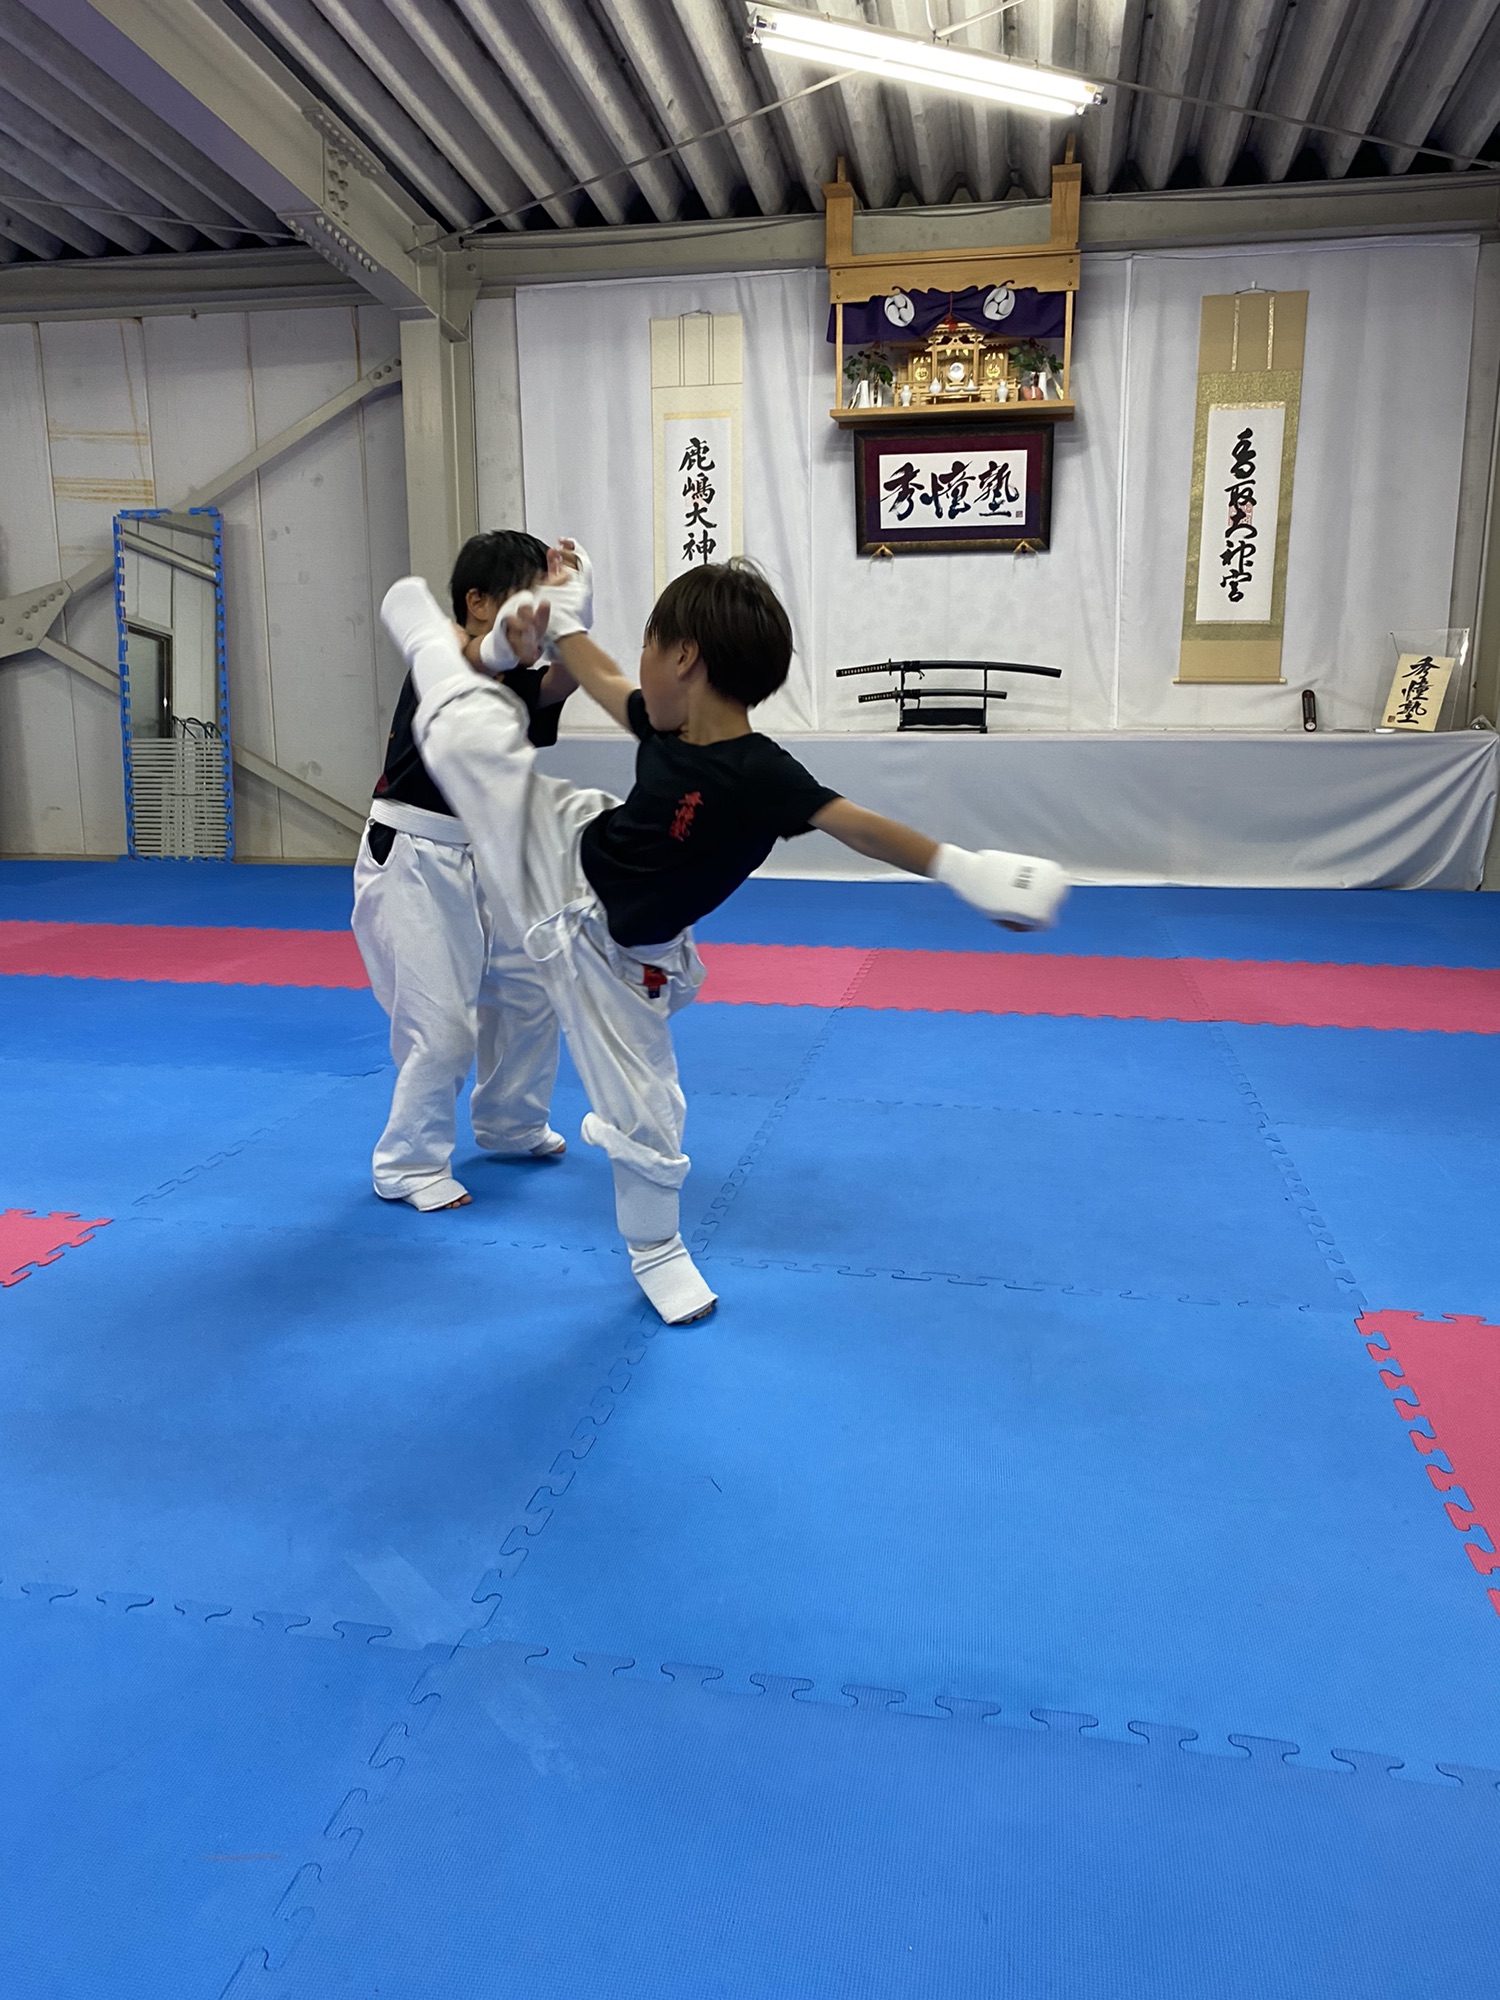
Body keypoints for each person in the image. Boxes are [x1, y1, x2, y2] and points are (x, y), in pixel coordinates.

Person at [378, 547, 1067, 1318]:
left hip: (627, 958)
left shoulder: (762, 774)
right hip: (566, 861)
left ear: (685, 656)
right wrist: (568, 617)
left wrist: (964, 869)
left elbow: (861, 828)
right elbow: (602, 677)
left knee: (648, 1111)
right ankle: (423, 631)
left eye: (650, 646)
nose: (639, 666)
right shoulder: (665, 729)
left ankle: (656, 1251)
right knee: (470, 744)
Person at [352, 530, 576, 1212]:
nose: (534, 619)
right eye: (524, 601)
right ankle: (408, 1163)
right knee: (443, 1025)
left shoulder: (515, 677)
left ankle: (511, 1121)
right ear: (478, 603)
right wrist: (513, 636)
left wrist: (573, 605)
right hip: (412, 856)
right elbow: (477, 657)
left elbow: (563, 678)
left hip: (490, 855)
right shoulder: (443, 652)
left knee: (534, 990)